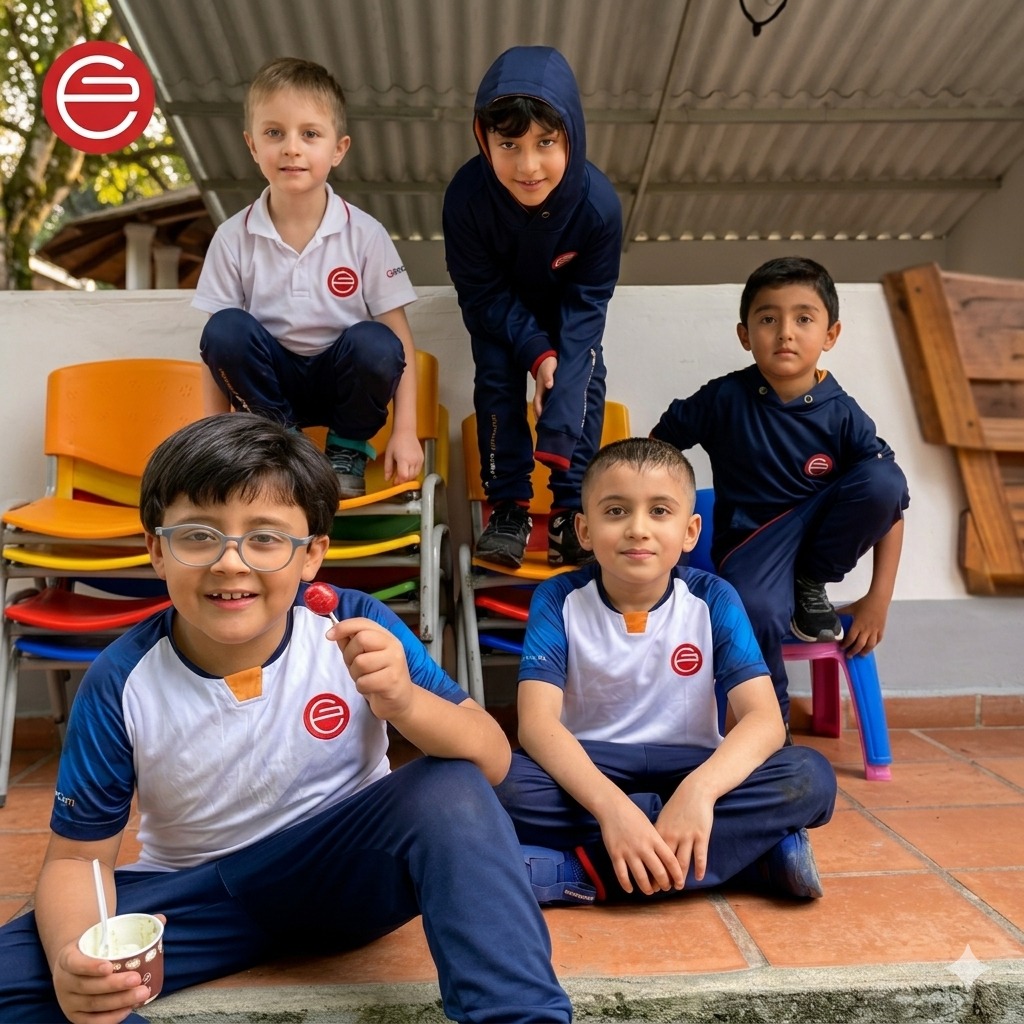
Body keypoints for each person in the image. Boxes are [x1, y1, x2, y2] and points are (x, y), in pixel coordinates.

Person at [0, 413, 571, 1024]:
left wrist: (405, 702)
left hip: (347, 877)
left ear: (312, 556)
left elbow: (491, 755)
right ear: (156, 550)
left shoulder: (354, 624)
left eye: (266, 538)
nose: (230, 562)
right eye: (198, 534)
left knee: (449, 786)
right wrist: (73, 957)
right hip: (198, 897)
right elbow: (75, 860)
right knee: (43, 974)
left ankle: (519, 1016)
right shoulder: (120, 679)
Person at [495, 438, 837, 907]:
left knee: (810, 776)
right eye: (615, 512)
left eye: (660, 511)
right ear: (585, 529)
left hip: (690, 765)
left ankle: (582, 872)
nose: (638, 529)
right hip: (592, 769)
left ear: (690, 531)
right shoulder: (557, 599)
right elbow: (536, 725)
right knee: (498, 784)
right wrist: (613, 809)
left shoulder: (714, 598)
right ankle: (749, 857)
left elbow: (764, 720)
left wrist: (698, 794)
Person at [651, 256, 910, 721]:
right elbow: (654, 450)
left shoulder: (843, 414)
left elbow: (888, 505)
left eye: (803, 318)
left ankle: (809, 583)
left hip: (815, 542)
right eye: (768, 319)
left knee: (884, 478)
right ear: (745, 335)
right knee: (755, 610)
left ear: (830, 335)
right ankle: (770, 730)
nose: (785, 332)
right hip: (752, 544)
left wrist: (878, 599)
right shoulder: (723, 398)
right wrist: (667, 514)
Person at [192, 57, 423, 499]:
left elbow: (400, 342)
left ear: (338, 149)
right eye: (274, 133)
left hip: (342, 382)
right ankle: (284, 446)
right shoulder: (232, 237)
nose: (291, 148)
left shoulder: (365, 234)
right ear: (252, 145)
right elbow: (215, 354)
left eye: (310, 134)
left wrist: (405, 431)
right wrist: (211, 438)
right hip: (270, 389)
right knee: (223, 329)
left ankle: (346, 449)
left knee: (377, 342)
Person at [443, 46, 622, 568]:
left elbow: (589, 300)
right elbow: (479, 294)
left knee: (581, 377)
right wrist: (535, 354)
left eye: (546, 142)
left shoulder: (598, 206)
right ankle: (508, 509)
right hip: (497, 313)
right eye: (509, 144)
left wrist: (556, 365)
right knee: (497, 377)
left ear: (571, 135)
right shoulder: (466, 199)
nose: (528, 165)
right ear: (484, 139)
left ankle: (571, 510)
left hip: (569, 311)